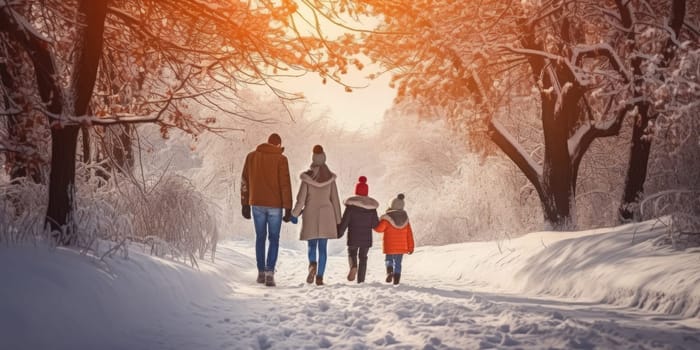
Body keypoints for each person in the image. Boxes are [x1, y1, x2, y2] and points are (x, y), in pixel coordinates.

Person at [240, 133, 293, 287]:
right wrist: (288, 208)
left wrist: (244, 203)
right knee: (274, 239)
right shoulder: (281, 159)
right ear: (278, 145)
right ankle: (270, 272)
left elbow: (245, 180)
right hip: (275, 206)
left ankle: (261, 273)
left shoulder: (251, 157)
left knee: (260, 237)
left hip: (256, 204)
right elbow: (285, 184)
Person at [292, 145, 341, 286]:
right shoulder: (330, 179)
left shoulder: (307, 178)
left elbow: (301, 200)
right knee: (323, 248)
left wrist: (294, 214)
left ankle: (312, 265)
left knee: (312, 245)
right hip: (327, 215)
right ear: (324, 157)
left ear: (313, 158)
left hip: (310, 214)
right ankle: (319, 277)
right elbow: (335, 200)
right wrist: (338, 220)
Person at [337, 176, 379, 283]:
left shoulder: (350, 207)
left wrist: (339, 233)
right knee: (363, 257)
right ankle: (361, 281)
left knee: (352, 253)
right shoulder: (372, 209)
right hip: (366, 238)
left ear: (356, 191)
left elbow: (345, 222)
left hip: (353, 236)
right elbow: (375, 225)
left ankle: (353, 266)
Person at [374, 193, 414, 286]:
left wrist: (376, 222)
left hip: (390, 246)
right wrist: (410, 247)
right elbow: (409, 235)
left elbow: (379, 229)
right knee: (398, 263)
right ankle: (396, 281)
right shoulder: (405, 220)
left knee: (389, 259)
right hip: (401, 247)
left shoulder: (387, 219)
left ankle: (389, 272)